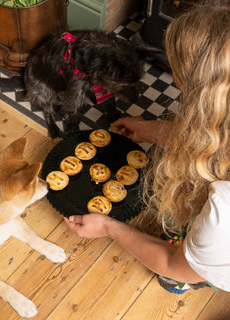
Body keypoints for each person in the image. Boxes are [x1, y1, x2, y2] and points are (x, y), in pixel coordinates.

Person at [64, 2, 230, 293]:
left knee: (183, 270)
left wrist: (107, 227)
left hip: (212, 248)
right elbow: (216, 142)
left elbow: (172, 263)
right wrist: (155, 131)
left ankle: (200, 267)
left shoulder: (223, 214)